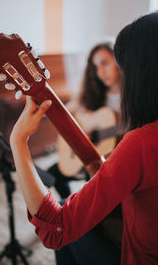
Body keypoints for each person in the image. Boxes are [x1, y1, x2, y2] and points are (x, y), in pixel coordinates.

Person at [10, 8, 158, 265]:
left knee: (68, 218)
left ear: (147, 76)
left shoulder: (142, 143)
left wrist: (18, 141)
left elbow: (57, 228)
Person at [47, 41, 121, 199]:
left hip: (111, 161)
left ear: (119, 60)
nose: (100, 72)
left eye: (105, 63)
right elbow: (66, 112)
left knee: (92, 187)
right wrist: (81, 129)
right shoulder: (95, 92)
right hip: (89, 156)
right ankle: (67, 205)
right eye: (95, 67)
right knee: (51, 175)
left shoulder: (131, 98)